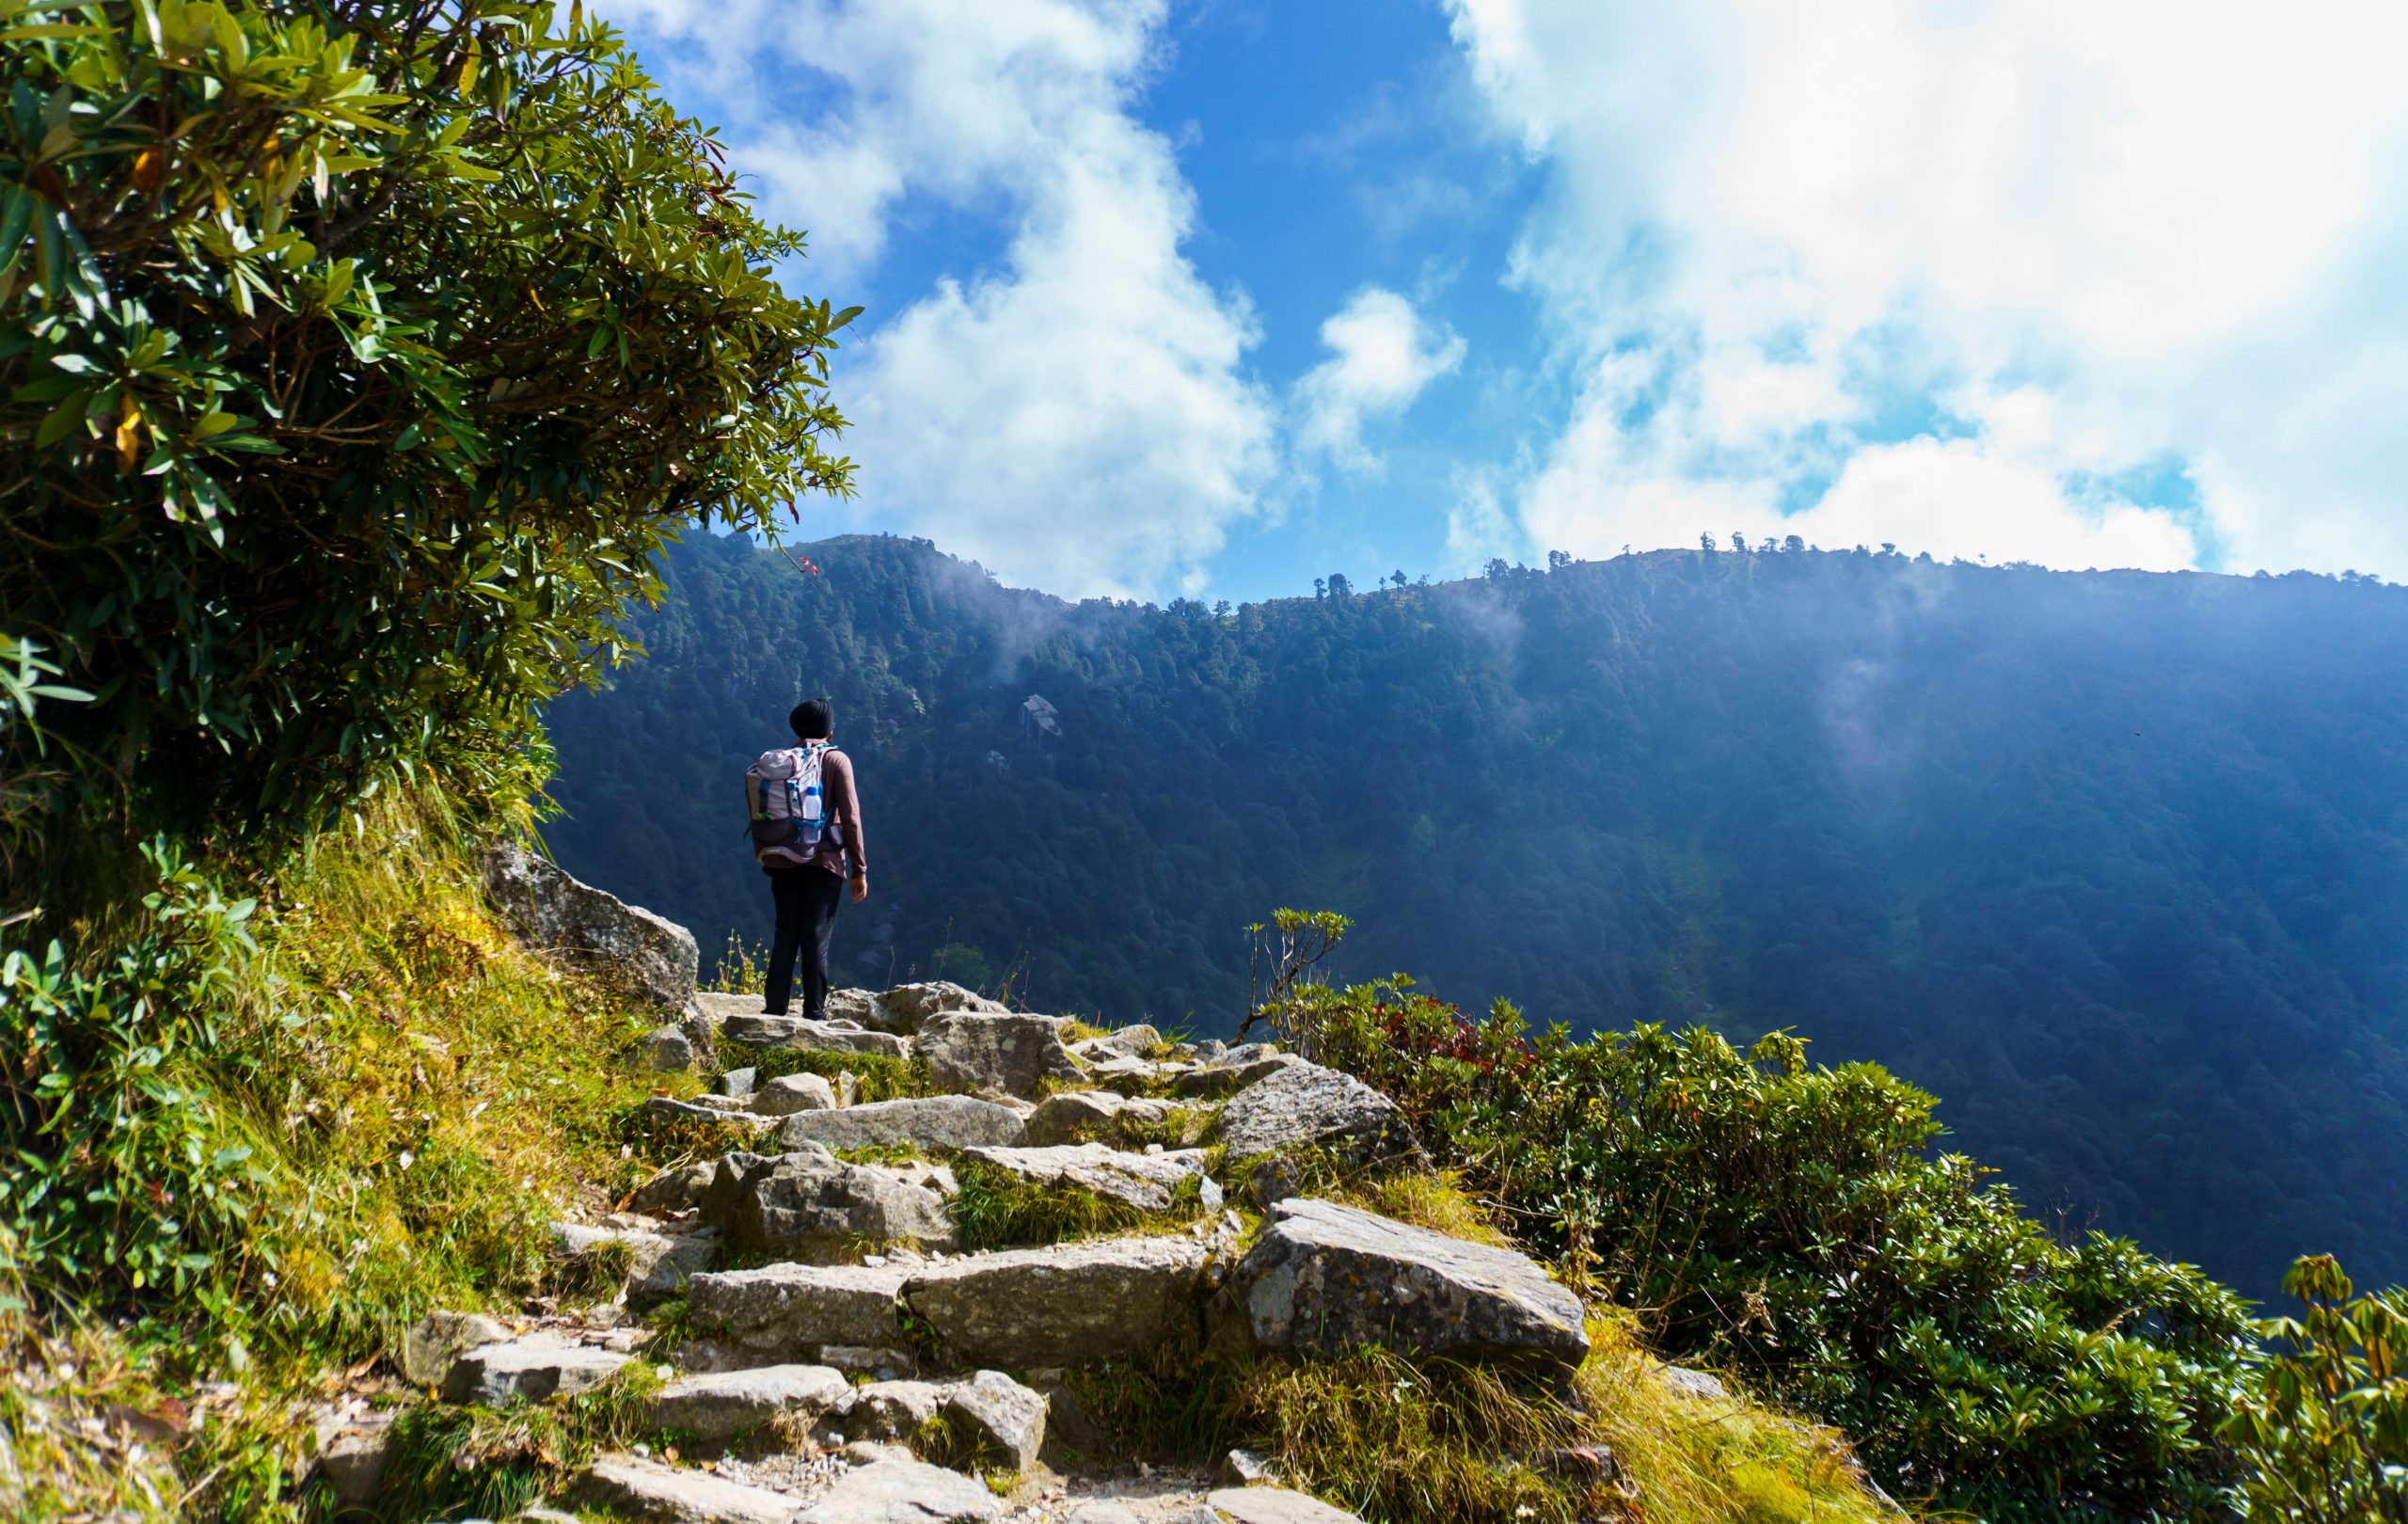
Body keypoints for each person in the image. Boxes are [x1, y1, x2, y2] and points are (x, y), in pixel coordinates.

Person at [761, 698, 868, 1018]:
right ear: (829, 729)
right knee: (815, 935)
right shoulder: (836, 760)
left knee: (786, 934)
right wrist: (859, 869)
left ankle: (775, 1007)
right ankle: (814, 1011)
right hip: (824, 863)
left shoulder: (783, 762)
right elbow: (850, 818)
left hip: (782, 860)